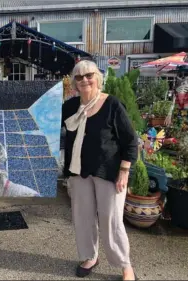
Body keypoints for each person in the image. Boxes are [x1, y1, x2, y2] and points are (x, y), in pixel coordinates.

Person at [61, 60, 138, 280]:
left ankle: (125, 265)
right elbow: (46, 122)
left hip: (109, 172)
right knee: (83, 218)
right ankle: (90, 257)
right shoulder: (70, 107)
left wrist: (124, 170)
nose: (84, 80)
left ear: (98, 78)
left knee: (111, 221)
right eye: (79, 77)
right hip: (79, 172)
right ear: (74, 83)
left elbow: (131, 140)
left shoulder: (112, 104)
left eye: (89, 75)